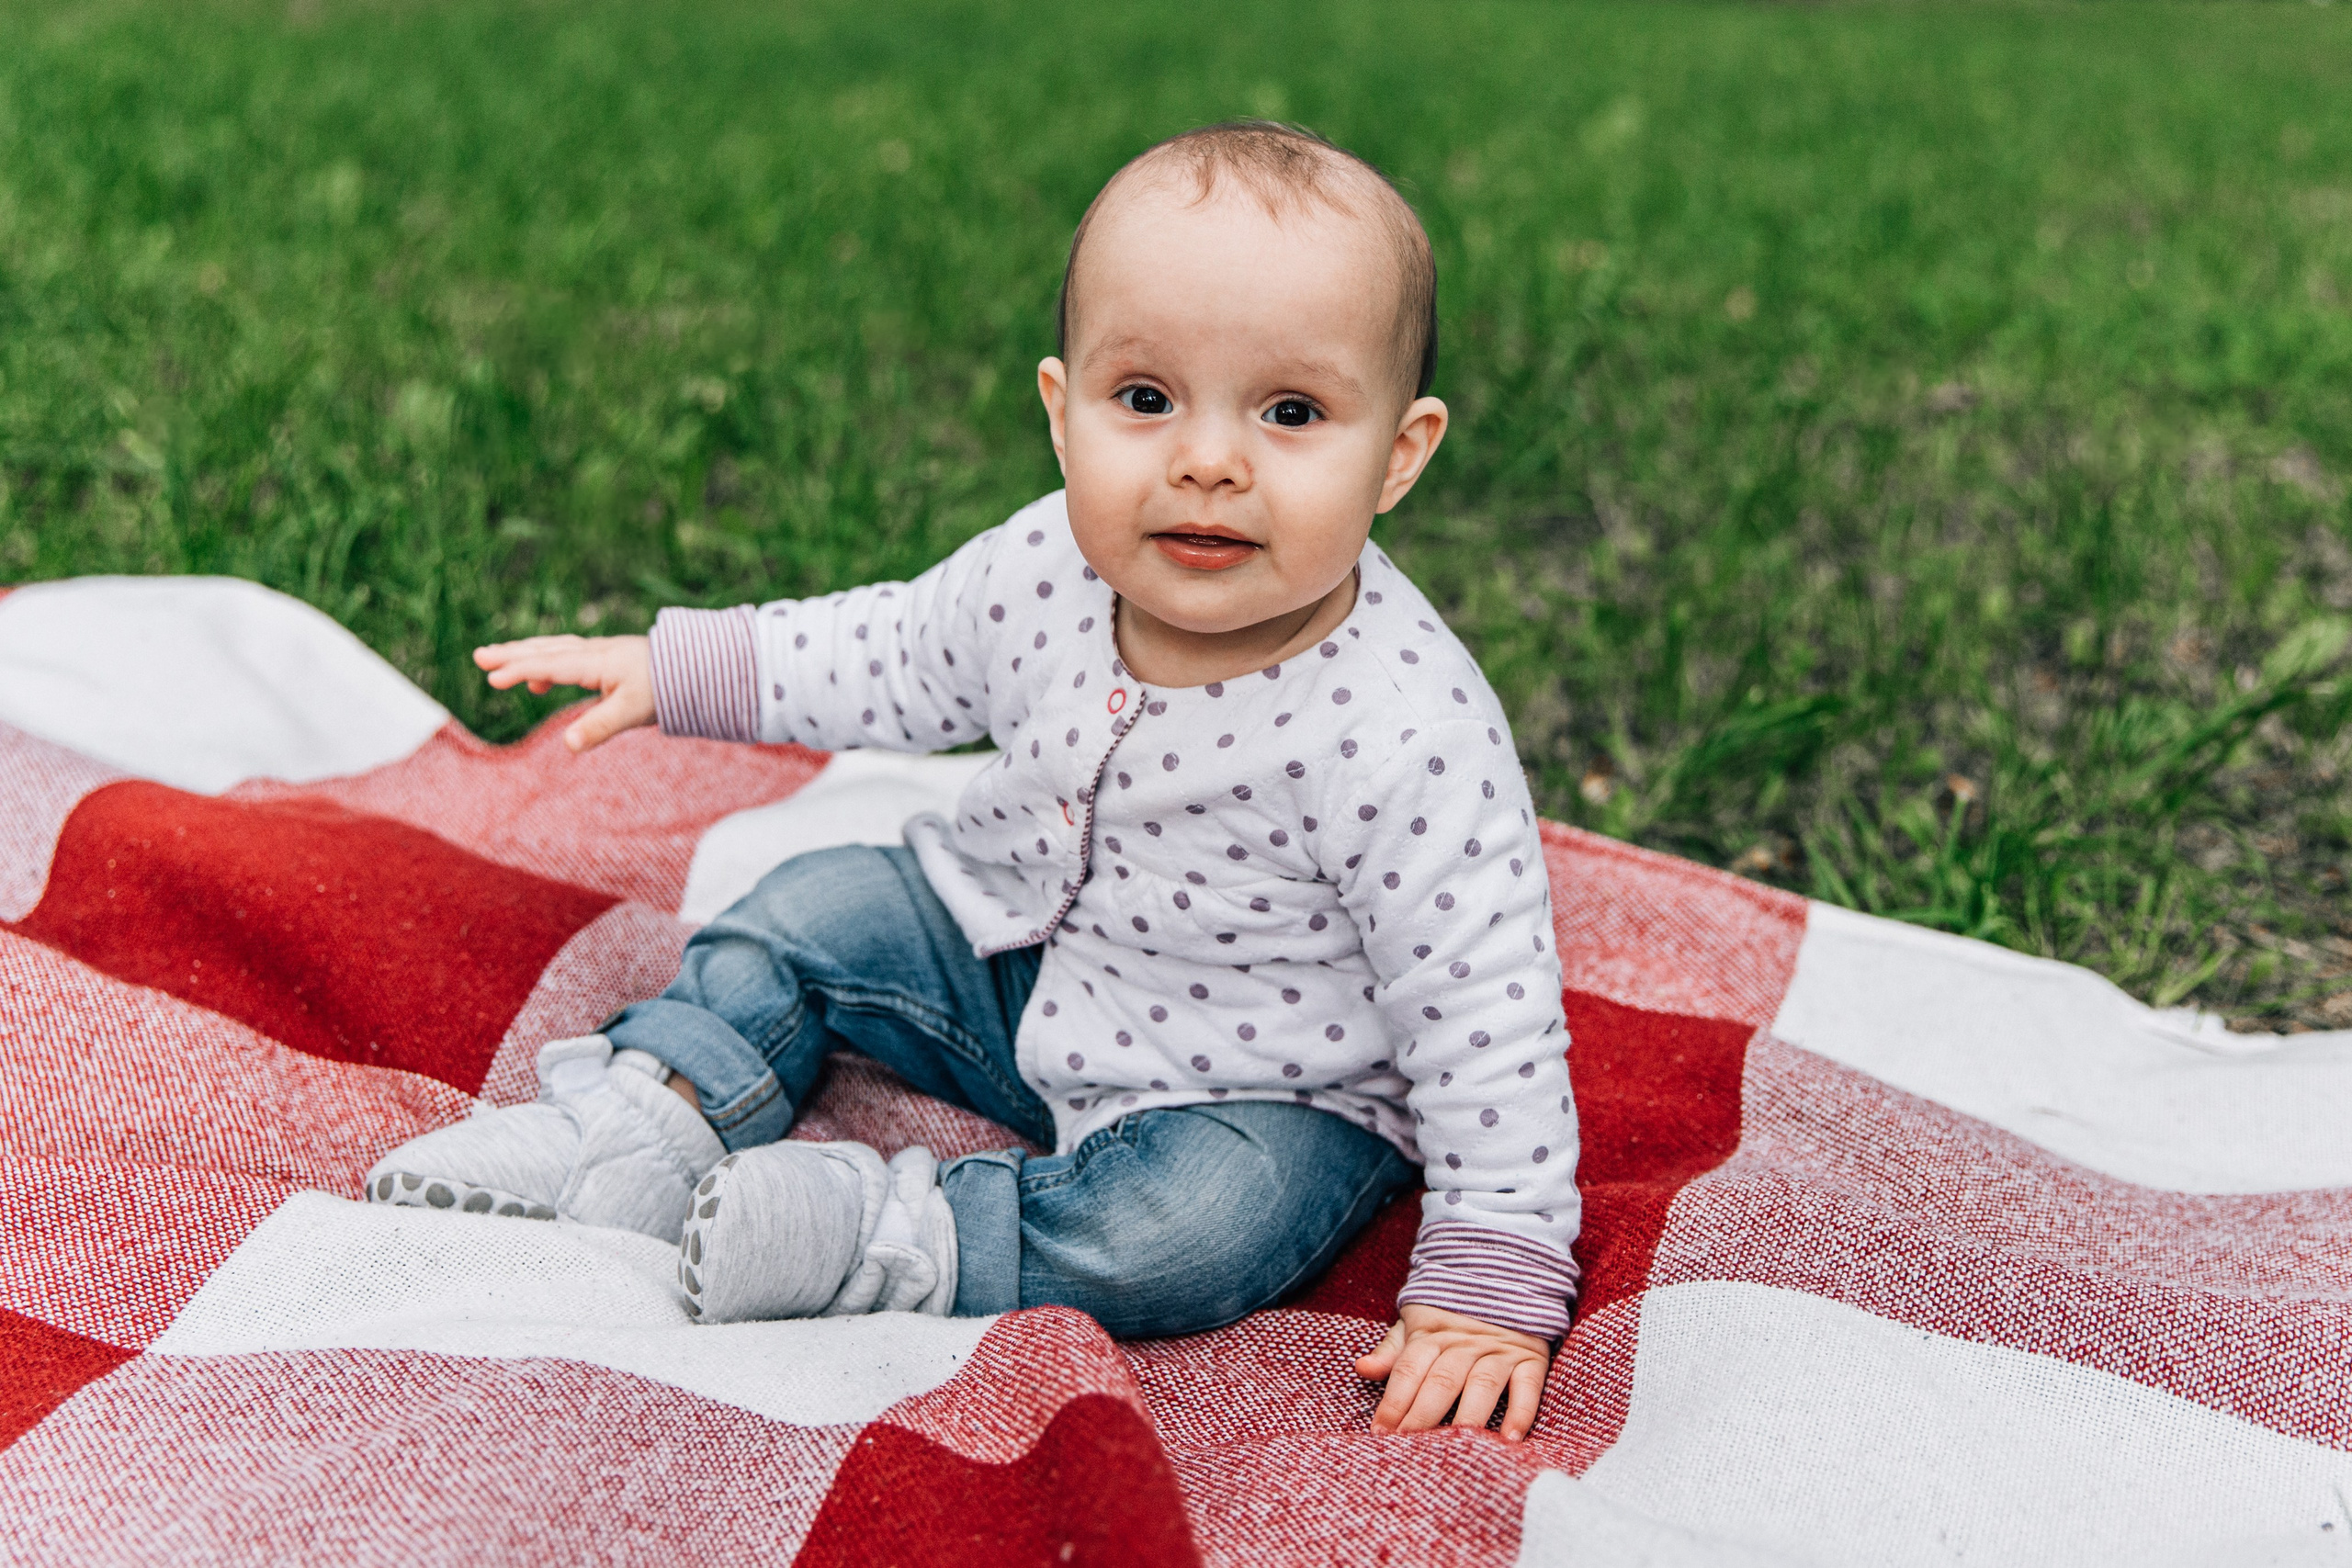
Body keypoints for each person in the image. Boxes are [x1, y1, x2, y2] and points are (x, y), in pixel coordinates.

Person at [367, 120, 1580, 1443]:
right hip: (1021, 955)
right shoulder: (1041, 569)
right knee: (817, 906)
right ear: (1061, 413)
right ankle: (646, 1117)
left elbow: (1485, 1011)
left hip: (1265, 1084)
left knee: (1194, 1233)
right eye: (1146, 399)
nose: (1208, 460)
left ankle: (895, 1235)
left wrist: (1494, 1270)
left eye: (1290, 413)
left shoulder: (1404, 729)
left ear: (1400, 452)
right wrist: (684, 667)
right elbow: (890, 650)